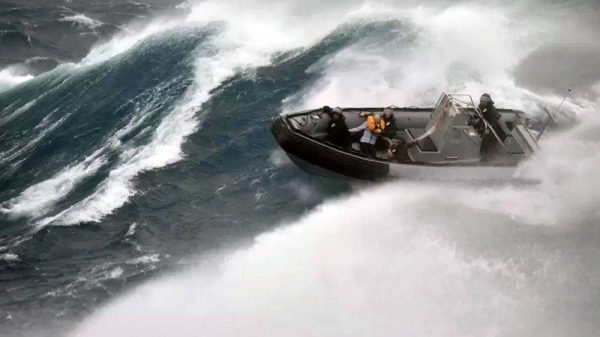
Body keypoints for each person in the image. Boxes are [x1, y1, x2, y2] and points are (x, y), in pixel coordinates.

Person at [478, 93, 503, 159]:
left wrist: (489, 130)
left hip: (492, 128)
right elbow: (477, 113)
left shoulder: (491, 109)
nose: (483, 102)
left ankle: (486, 155)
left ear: (488, 101)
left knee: (487, 139)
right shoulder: (481, 107)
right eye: (482, 101)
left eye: (485, 101)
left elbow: (494, 121)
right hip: (484, 125)